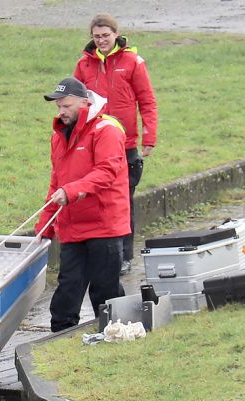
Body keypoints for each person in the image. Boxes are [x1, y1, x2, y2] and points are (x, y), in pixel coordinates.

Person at [35, 77, 130, 333]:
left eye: (66, 106)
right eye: (58, 107)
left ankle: (116, 332)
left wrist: (71, 191)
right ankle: (60, 337)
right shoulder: (59, 136)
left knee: (105, 288)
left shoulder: (107, 129)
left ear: (84, 102)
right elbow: (56, 183)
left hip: (104, 224)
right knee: (68, 287)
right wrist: (45, 226)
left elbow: (107, 171)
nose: (61, 112)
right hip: (73, 225)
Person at [73, 13, 158, 275]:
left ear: (115, 35)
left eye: (105, 36)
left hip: (124, 143)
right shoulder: (84, 65)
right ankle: (96, 254)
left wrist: (149, 136)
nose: (101, 41)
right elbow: (75, 103)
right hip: (93, 142)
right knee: (93, 198)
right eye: (96, 37)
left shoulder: (132, 61)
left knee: (122, 202)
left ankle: (124, 255)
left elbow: (147, 100)